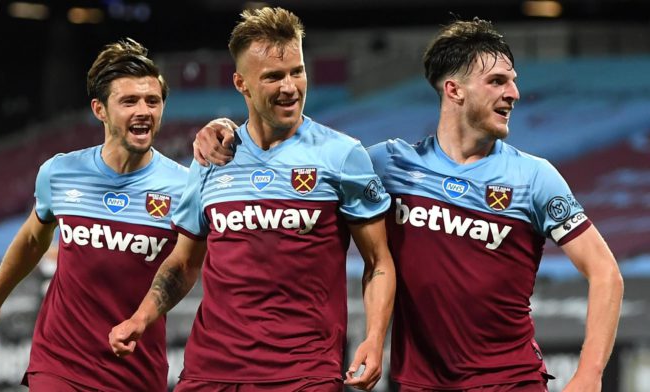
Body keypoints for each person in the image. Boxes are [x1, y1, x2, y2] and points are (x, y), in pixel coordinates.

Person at [193, 17, 624, 392]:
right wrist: (224, 129)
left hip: (508, 379)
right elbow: (304, 154)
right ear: (453, 89)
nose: (514, 93)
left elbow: (605, 272)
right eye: (497, 81)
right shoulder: (385, 165)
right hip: (418, 381)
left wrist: (590, 373)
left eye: (512, 81)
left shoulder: (535, 177)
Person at [109, 7, 396, 392]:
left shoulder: (342, 156)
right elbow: (182, 262)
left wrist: (375, 339)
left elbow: (378, 262)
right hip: (210, 372)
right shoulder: (211, 157)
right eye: (274, 76)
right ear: (241, 83)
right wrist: (140, 319)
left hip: (303, 374)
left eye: (297, 71)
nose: (290, 87)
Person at [0, 38, 189, 391]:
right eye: (129, 101)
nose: (144, 110)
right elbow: (34, 238)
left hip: (136, 365)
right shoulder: (60, 172)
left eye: (152, 101)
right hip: (61, 362)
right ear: (100, 109)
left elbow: (189, 265)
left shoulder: (184, 186)